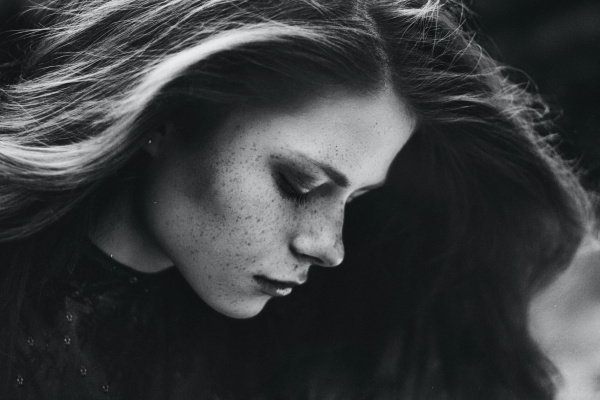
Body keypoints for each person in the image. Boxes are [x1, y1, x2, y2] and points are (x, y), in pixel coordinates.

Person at [0, 0, 592, 399]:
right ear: (167, 118)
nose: (329, 247)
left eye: (355, 200)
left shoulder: (302, 350)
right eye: (297, 184)